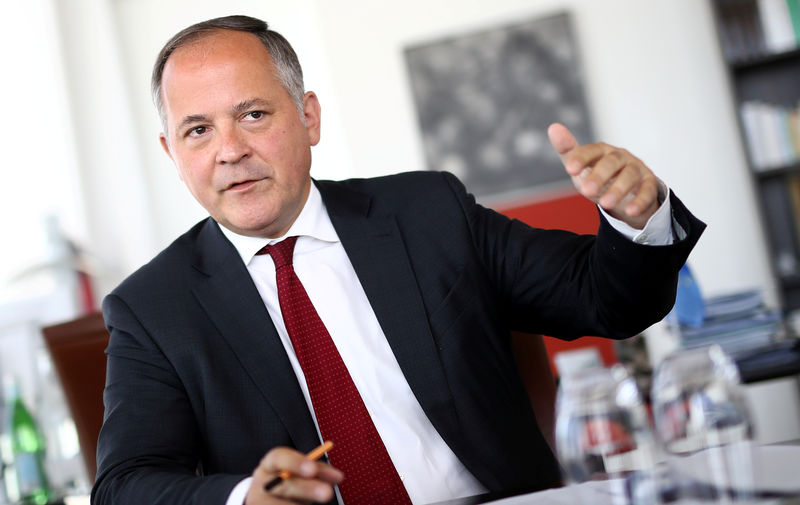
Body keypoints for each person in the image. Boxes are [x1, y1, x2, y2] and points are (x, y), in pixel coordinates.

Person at [91, 14, 704, 505]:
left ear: (308, 118)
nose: (230, 151)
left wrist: (636, 216)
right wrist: (245, 497)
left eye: (253, 115)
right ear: (172, 153)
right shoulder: (151, 308)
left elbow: (609, 299)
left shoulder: (425, 211)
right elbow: (125, 485)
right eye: (198, 131)